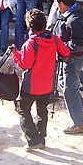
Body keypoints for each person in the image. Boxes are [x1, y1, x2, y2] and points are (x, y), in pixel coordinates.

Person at [12, 9, 69, 151]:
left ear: (30, 26)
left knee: (23, 109)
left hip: (31, 85)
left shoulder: (30, 44)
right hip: (48, 84)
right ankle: (41, 138)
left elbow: (25, 64)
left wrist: (15, 54)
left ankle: (33, 140)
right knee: (42, 109)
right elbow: (66, 53)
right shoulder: (54, 38)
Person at [52, 0, 83, 135]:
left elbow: (80, 42)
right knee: (64, 83)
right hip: (67, 57)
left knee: (70, 89)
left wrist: (63, 48)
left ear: (62, 3)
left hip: (73, 58)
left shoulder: (74, 19)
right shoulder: (70, 15)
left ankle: (79, 123)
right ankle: (82, 109)